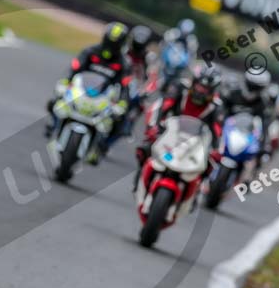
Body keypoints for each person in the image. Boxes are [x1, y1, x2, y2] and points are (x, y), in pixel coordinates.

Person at [45, 22, 132, 160]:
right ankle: (53, 125)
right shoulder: (90, 52)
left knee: (122, 122)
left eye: (115, 43)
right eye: (109, 42)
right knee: (54, 102)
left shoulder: (124, 63)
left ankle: (102, 146)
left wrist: (123, 103)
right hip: (81, 90)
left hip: (104, 96)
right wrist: (65, 82)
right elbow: (73, 69)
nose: (111, 47)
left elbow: (125, 86)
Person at [135, 65, 224, 190]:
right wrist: (154, 126)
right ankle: (140, 176)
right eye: (200, 86)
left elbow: (218, 131)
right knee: (145, 148)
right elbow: (163, 106)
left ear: (213, 90)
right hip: (171, 132)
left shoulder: (217, 106)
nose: (201, 91)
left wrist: (216, 150)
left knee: (209, 165)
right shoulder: (180, 88)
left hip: (195, 143)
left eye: (206, 89)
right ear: (194, 81)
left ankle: (197, 191)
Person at [220, 67, 274, 165]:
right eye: (251, 85)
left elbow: (265, 125)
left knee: (255, 159)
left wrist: (265, 146)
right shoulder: (233, 93)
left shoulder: (263, 103)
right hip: (224, 132)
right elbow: (220, 110)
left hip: (246, 137)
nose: (252, 89)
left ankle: (247, 176)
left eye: (256, 87)